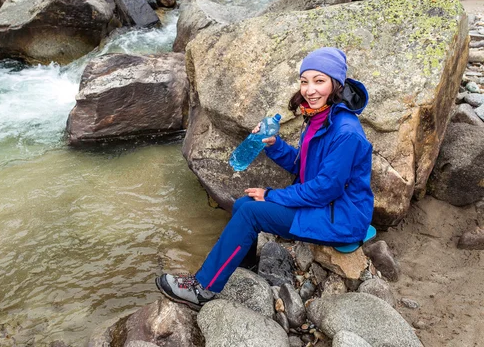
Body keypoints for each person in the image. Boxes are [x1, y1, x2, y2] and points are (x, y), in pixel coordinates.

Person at [155, 47, 374, 310]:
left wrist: (270, 195)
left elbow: (326, 189)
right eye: (305, 81)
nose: (310, 89)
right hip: (325, 206)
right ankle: (241, 262)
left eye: (319, 81)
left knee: (252, 213)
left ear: (336, 84)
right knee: (243, 204)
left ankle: (203, 289)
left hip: (341, 217)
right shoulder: (320, 117)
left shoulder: (346, 132)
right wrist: (273, 144)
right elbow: (302, 165)